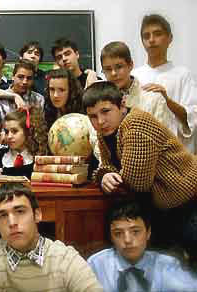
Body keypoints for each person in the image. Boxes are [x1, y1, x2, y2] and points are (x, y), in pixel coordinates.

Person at [83, 81, 197, 268]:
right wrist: (104, 175)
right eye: (93, 116)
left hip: (188, 200)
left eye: (106, 111)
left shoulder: (135, 123)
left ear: (122, 105)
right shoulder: (108, 133)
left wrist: (110, 174)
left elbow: (137, 182)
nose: (100, 121)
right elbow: (109, 166)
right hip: (166, 206)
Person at [0, 183, 102, 291]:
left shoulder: (63, 258)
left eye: (20, 211)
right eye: (3, 215)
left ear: (37, 215)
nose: (12, 222)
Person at [88, 199, 197, 292]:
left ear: (148, 233)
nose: (127, 240)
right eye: (118, 233)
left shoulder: (166, 265)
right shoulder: (96, 265)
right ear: (111, 237)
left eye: (135, 232)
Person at [133, 14, 197, 154]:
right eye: (146, 36)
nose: (151, 40)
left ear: (169, 38)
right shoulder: (135, 76)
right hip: (143, 152)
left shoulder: (183, 75)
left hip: (175, 153)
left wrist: (167, 101)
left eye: (157, 34)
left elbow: (192, 117)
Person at [101, 41, 175, 133]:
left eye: (119, 67)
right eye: (108, 69)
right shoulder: (100, 101)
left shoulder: (153, 99)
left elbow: (165, 139)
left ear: (130, 65)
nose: (114, 73)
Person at [0, 107, 48, 179]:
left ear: (27, 132)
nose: (9, 136)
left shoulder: (39, 156)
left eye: (14, 131)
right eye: (7, 132)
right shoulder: (0, 154)